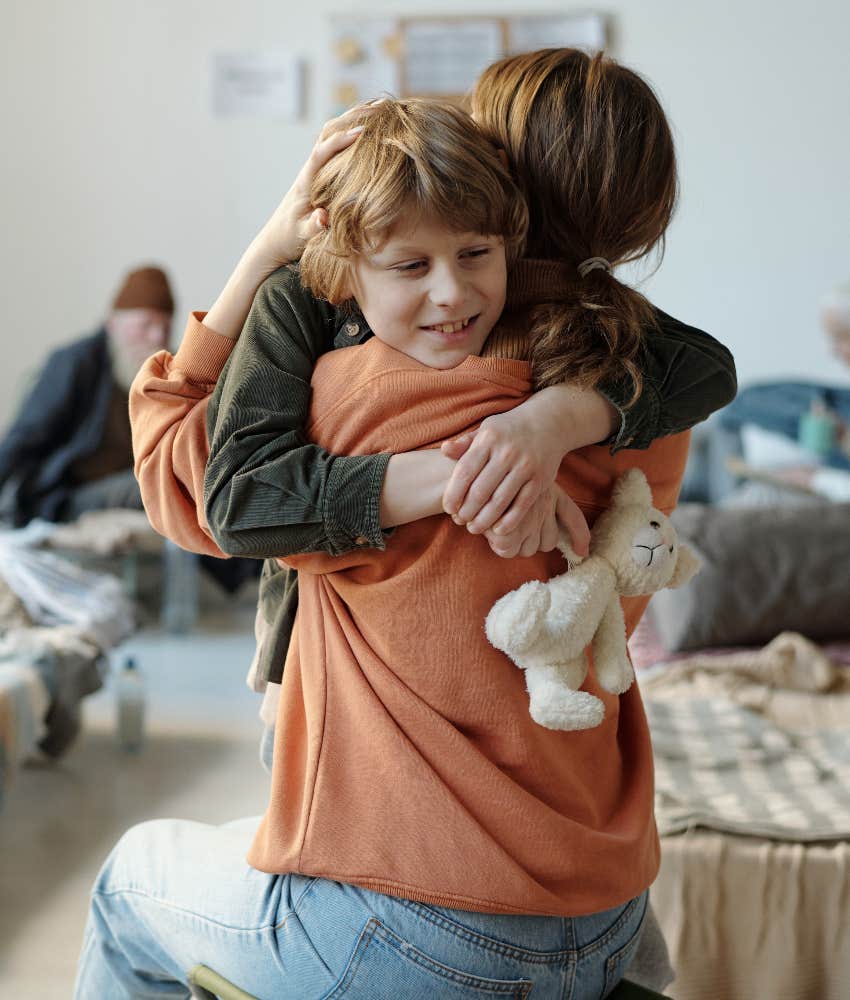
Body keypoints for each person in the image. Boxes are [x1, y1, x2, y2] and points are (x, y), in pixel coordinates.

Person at [80, 52, 736, 998]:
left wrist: (264, 258)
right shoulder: (648, 391)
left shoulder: (358, 387)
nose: (448, 290)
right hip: (604, 898)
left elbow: (192, 490)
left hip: (422, 914)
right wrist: (560, 416)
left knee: (128, 883)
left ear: (502, 188)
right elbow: (707, 363)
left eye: (472, 252)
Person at [0, 266, 173, 527]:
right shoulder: (76, 363)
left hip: (131, 481)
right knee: (156, 486)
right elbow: (24, 438)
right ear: (112, 325)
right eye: (146, 325)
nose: (157, 338)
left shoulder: (170, 371)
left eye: (165, 327)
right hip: (67, 494)